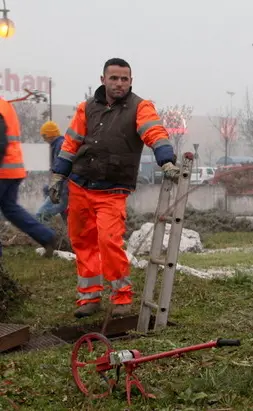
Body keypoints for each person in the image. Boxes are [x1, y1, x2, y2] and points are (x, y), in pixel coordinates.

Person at [48, 58, 180, 319]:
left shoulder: (140, 107)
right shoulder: (86, 108)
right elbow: (71, 143)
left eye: (124, 79)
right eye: (114, 78)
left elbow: (154, 131)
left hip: (112, 190)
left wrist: (166, 160)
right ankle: (89, 297)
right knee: (82, 242)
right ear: (103, 80)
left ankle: (122, 297)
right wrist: (57, 175)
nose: (119, 83)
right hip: (80, 184)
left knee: (109, 242)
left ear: (131, 81)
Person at [0, 97, 58, 260]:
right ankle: (46, 236)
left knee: (10, 208)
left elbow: (0, 142)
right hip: (14, 168)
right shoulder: (4, 105)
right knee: (10, 208)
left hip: (3, 170)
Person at [36, 121, 68, 224]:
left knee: (41, 215)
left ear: (49, 135)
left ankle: (47, 236)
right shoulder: (58, 144)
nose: (43, 139)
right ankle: (65, 227)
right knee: (46, 189)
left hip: (63, 189)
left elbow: (63, 170)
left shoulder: (60, 145)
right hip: (63, 188)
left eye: (44, 136)